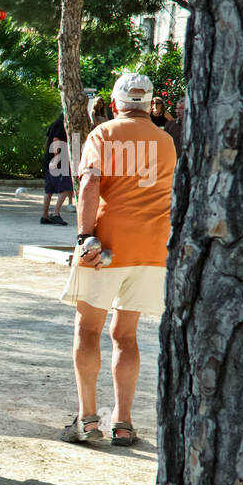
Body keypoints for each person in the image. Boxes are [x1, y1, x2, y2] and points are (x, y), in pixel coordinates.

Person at [59, 72, 175, 447]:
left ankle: (88, 419)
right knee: (126, 335)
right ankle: (123, 422)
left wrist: (84, 236)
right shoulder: (166, 141)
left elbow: (90, 183)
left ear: (114, 103)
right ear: (149, 104)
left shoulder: (103, 134)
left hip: (106, 245)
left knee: (88, 328)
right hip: (152, 247)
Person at [39, 113, 71, 225]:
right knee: (67, 187)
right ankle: (55, 213)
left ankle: (45, 215)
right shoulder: (62, 124)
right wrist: (57, 158)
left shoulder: (54, 124)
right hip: (58, 161)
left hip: (49, 160)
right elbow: (56, 140)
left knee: (49, 189)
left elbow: (48, 140)